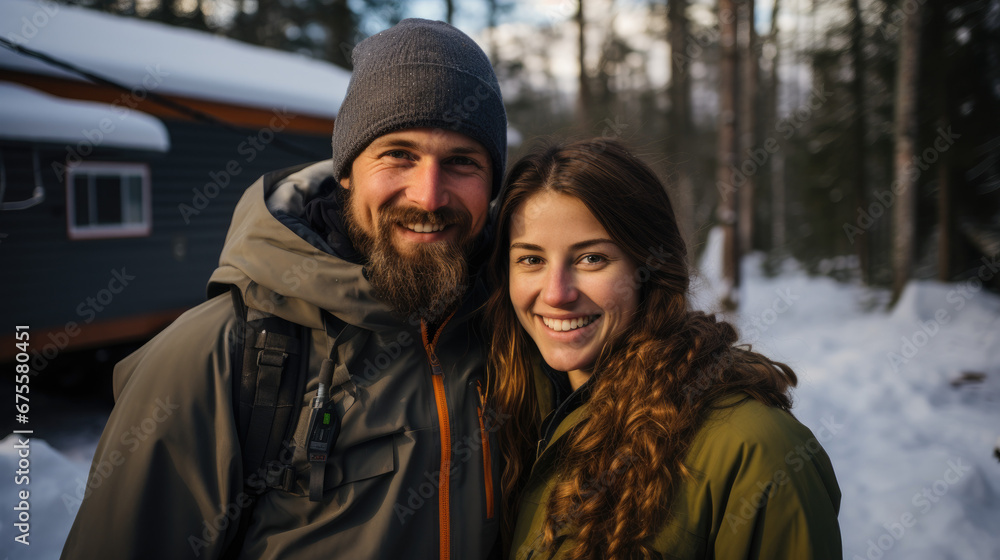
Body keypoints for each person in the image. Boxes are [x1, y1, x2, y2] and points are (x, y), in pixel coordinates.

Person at [62, 19, 506, 559]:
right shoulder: (216, 356)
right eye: (398, 154)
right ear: (347, 171)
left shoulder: (515, 331)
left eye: (462, 161)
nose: (429, 195)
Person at [484, 139, 842, 560]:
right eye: (530, 260)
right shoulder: (514, 421)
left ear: (650, 268)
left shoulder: (757, 452)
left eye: (592, 259)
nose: (556, 293)